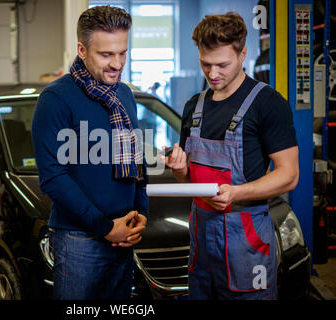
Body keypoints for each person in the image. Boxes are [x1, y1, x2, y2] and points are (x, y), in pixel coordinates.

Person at [162, 12, 299, 300]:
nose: (212, 74)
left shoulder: (268, 104)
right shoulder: (193, 106)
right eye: (205, 64)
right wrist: (178, 169)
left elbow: (289, 175)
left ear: (243, 54)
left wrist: (236, 193)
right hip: (200, 235)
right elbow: (187, 178)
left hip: (244, 237)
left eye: (222, 65)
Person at [32, 5, 148, 300]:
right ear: (82, 50)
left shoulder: (123, 94)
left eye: (122, 53)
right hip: (78, 240)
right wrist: (106, 227)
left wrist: (140, 214)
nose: (117, 63)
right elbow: (53, 178)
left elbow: (137, 160)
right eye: (106, 55)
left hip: (123, 235)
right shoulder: (56, 99)